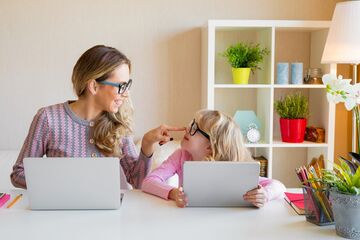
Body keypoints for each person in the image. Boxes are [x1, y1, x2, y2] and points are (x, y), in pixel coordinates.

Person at [10, 45, 184, 189]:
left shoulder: (119, 122)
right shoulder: (48, 118)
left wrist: (147, 144)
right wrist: (61, 184)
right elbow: (19, 174)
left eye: (128, 85)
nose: (126, 94)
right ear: (93, 86)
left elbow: (137, 181)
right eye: (121, 86)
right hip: (62, 220)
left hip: (110, 221)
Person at [142, 110, 286, 208]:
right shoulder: (181, 156)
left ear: (210, 146)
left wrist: (264, 195)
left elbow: (279, 186)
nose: (187, 128)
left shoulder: (231, 166)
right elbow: (148, 182)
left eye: (194, 128)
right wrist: (173, 194)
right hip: (189, 221)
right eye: (191, 124)